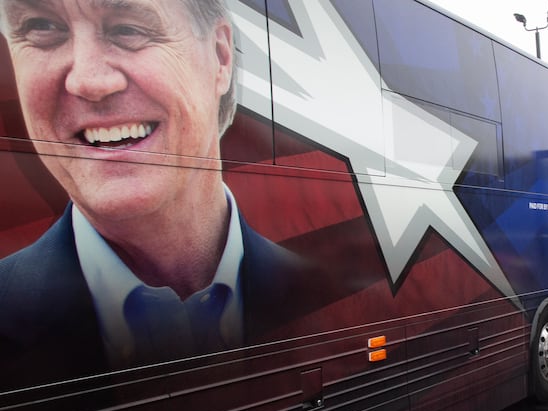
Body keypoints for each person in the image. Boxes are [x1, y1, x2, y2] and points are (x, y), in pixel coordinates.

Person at [0, 0, 318, 389]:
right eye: (42, 27)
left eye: (128, 29)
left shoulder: (326, 294)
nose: (88, 80)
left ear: (219, 58)